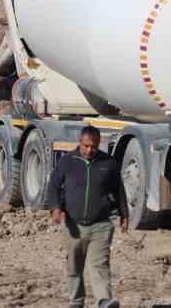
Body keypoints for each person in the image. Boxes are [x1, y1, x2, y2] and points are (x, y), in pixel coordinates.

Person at [44, 125, 126, 308]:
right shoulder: (67, 161)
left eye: (94, 147)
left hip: (101, 225)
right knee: (74, 266)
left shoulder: (109, 163)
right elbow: (54, 186)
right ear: (79, 142)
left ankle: (104, 300)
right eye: (86, 146)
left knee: (99, 264)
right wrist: (55, 208)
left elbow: (118, 190)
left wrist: (124, 213)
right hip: (74, 225)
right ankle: (76, 301)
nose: (90, 150)